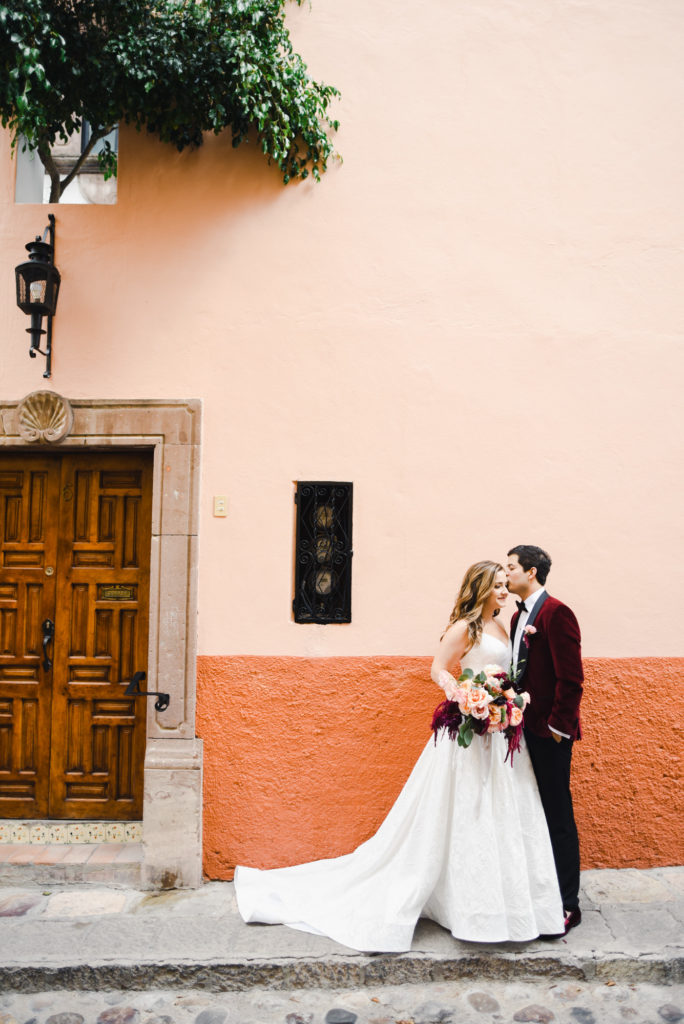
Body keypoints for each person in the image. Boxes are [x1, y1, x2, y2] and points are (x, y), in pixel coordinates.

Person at [234, 560, 564, 952]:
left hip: (499, 734)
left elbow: (505, 674)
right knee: (464, 809)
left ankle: (501, 904)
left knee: (500, 812)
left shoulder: (502, 626)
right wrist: (462, 695)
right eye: (497, 586)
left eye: (505, 584)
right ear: (480, 588)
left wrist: (503, 701)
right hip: (470, 732)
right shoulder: (465, 627)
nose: (504, 591)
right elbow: (438, 669)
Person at [505, 545, 584, 935]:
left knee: (557, 813)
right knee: (530, 810)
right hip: (522, 729)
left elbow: (572, 679)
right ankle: (539, 890)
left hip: (549, 734)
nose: (506, 574)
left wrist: (556, 728)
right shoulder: (516, 616)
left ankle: (569, 904)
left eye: (511, 567)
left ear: (531, 572)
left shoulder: (557, 613)